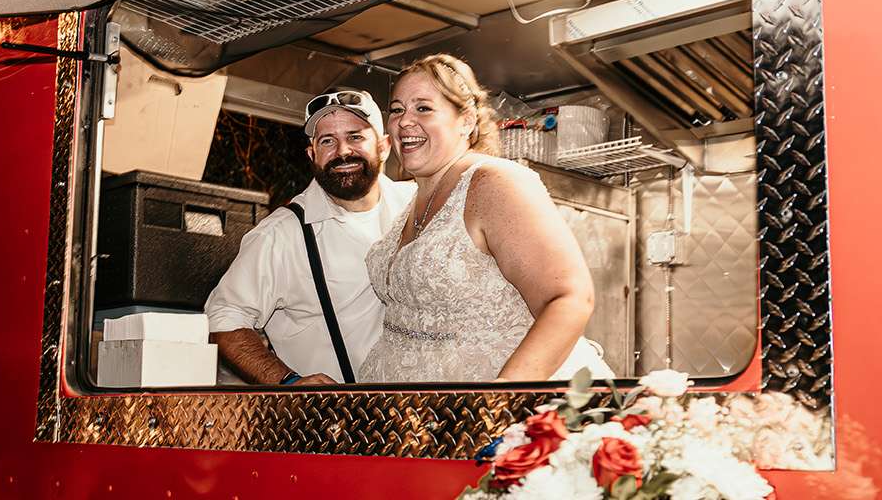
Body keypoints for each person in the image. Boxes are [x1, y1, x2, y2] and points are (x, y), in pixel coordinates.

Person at [361, 54, 613, 383]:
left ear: (466, 121)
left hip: (496, 409)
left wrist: (501, 398)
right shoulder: (412, 198)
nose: (404, 121)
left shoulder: (494, 183)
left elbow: (570, 298)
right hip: (420, 419)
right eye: (397, 109)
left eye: (423, 108)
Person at [204, 89, 416, 385]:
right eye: (327, 141)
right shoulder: (280, 234)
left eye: (356, 137)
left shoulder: (416, 203)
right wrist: (288, 382)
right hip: (336, 422)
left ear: (383, 146)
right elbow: (224, 318)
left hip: (420, 414)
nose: (342, 152)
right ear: (311, 153)